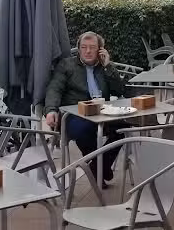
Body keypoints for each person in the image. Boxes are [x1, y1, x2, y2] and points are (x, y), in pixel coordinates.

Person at [44, 31, 127, 186]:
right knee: (83, 129)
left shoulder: (105, 66)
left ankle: (97, 167)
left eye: (92, 47)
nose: (88, 51)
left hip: (102, 113)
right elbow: (54, 89)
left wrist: (108, 66)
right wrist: (51, 110)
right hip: (75, 115)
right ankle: (100, 169)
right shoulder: (66, 65)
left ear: (100, 50)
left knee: (124, 128)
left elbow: (119, 90)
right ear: (79, 49)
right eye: (84, 47)